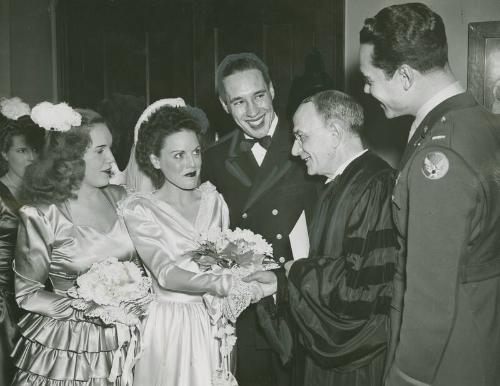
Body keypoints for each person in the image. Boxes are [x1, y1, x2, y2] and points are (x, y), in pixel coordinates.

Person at [359, 3, 500, 386]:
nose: (366, 90)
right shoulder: (485, 123)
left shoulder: (441, 155)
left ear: (404, 76)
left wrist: (407, 376)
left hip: (447, 357)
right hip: (484, 330)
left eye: (370, 79)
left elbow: (430, 294)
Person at [245, 90, 398, 386]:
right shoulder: (336, 185)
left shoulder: (375, 184)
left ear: (335, 133)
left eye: (302, 136)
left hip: (354, 359)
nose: (294, 150)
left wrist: (297, 271)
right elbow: (333, 266)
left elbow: (362, 291)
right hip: (330, 352)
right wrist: (281, 281)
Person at [201, 52, 320, 386]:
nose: (252, 112)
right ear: (224, 106)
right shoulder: (214, 159)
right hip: (247, 313)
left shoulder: (310, 144)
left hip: (301, 301)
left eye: (258, 96)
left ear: (271, 89)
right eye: (239, 102)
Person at [11, 105, 141, 385]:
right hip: (72, 352)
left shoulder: (123, 198)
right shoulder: (41, 214)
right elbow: (26, 294)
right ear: (70, 158)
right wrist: (86, 307)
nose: (111, 159)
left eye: (110, 148)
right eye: (100, 150)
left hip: (132, 337)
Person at [120, 104, 248, 386]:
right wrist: (220, 283)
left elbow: (228, 257)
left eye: (196, 152)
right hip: (169, 326)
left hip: (213, 321)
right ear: (155, 160)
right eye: (178, 155)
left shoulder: (215, 201)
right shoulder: (140, 210)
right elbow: (164, 273)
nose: (191, 163)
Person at [0, 103, 44, 385]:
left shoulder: (39, 193)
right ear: (4, 154)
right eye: (21, 151)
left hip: (33, 297)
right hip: (6, 303)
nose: (30, 158)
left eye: (33, 150)